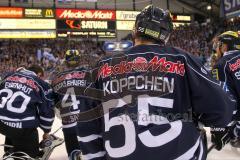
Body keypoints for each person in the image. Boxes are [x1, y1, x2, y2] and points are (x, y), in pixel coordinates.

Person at [75, 5, 235, 160]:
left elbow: (85, 123)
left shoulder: (103, 65)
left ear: (135, 31)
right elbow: (222, 108)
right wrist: (199, 120)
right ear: (166, 36)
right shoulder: (182, 59)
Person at [52, 50, 103, 160]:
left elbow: (55, 106)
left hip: (69, 126)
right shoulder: (89, 74)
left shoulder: (56, 79)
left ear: (65, 62)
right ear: (79, 60)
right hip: (89, 123)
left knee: (74, 156)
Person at [0, 65, 55, 158]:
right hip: (23, 128)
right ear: (39, 74)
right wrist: (46, 131)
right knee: (31, 154)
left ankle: (10, 151)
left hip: (2, 123)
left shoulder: (8, 77)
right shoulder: (41, 83)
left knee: (11, 123)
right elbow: (47, 110)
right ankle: (19, 154)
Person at [211, 31, 240, 150]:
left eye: (219, 45)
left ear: (225, 45)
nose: (216, 48)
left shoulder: (221, 65)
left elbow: (222, 100)